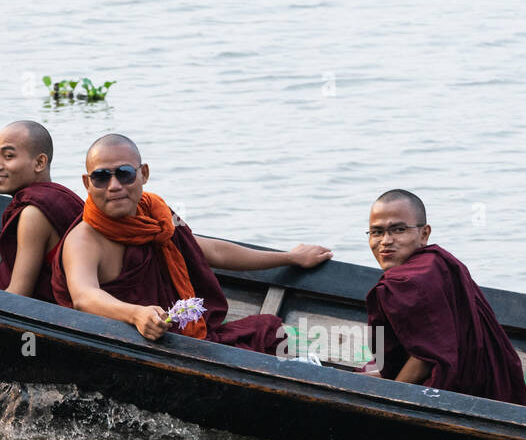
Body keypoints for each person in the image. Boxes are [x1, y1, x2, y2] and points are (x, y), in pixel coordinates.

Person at [51, 134, 332, 349]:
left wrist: (288, 258)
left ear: (144, 174)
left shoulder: (158, 214)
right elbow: (84, 296)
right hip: (121, 344)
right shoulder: (84, 238)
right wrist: (135, 315)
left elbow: (208, 250)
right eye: (101, 177)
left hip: (173, 336)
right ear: (87, 184)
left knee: (269, 331)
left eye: (124, 174)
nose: (114, 186)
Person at [362, 190, 526, 405]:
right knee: (363, 375)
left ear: (424, 234)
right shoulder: (438, 263)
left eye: (399, 229)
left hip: (460, 394)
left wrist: (391, 396)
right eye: (377, 232)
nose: (386, 241)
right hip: (499, 387)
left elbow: (428, 357)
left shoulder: (410, 280)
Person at [0, 120, 82, 302]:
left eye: (8, 156)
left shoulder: (34, 214)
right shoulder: (57, 198)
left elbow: (17, 297)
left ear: (39, 162)